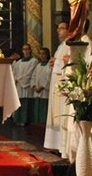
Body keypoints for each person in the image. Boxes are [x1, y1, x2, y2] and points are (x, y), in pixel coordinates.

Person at [44, 21, 69, 154]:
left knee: (60, 113)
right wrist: (53, 62)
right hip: (56, 83)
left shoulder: (70, 45)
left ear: (69, 30)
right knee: (55, 113)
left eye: (62, 28)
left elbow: (70, 63)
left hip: (62, 83)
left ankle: (61, 145)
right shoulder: (61, 46)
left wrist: (57, 62)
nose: (59, 31)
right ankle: (54, 144)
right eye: (58, 28)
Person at [12, 44, 39, 126]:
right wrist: (16, 79)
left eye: (27, 49)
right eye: (24, 49)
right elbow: (14, 72)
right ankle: (18, 119)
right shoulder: (19, 62)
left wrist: (20, 79)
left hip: (28, 84)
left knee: (27, 102)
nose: (26, 51)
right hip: (19, 85)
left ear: (30, 50)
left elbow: (31, 72)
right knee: (19, 101)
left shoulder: (34, 61)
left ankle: (26, 120)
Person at [30, 47, 52, 123]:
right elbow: (33, 76)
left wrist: (42, 87)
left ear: (47, 55)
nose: (41, 55)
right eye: (40, 54)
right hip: (37, 91)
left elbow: (49, 78)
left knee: (44, 109)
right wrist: (34, 86)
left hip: (44, 91)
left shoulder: (49, 65)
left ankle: (44, 123)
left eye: (43, 54)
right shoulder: (38, 65)